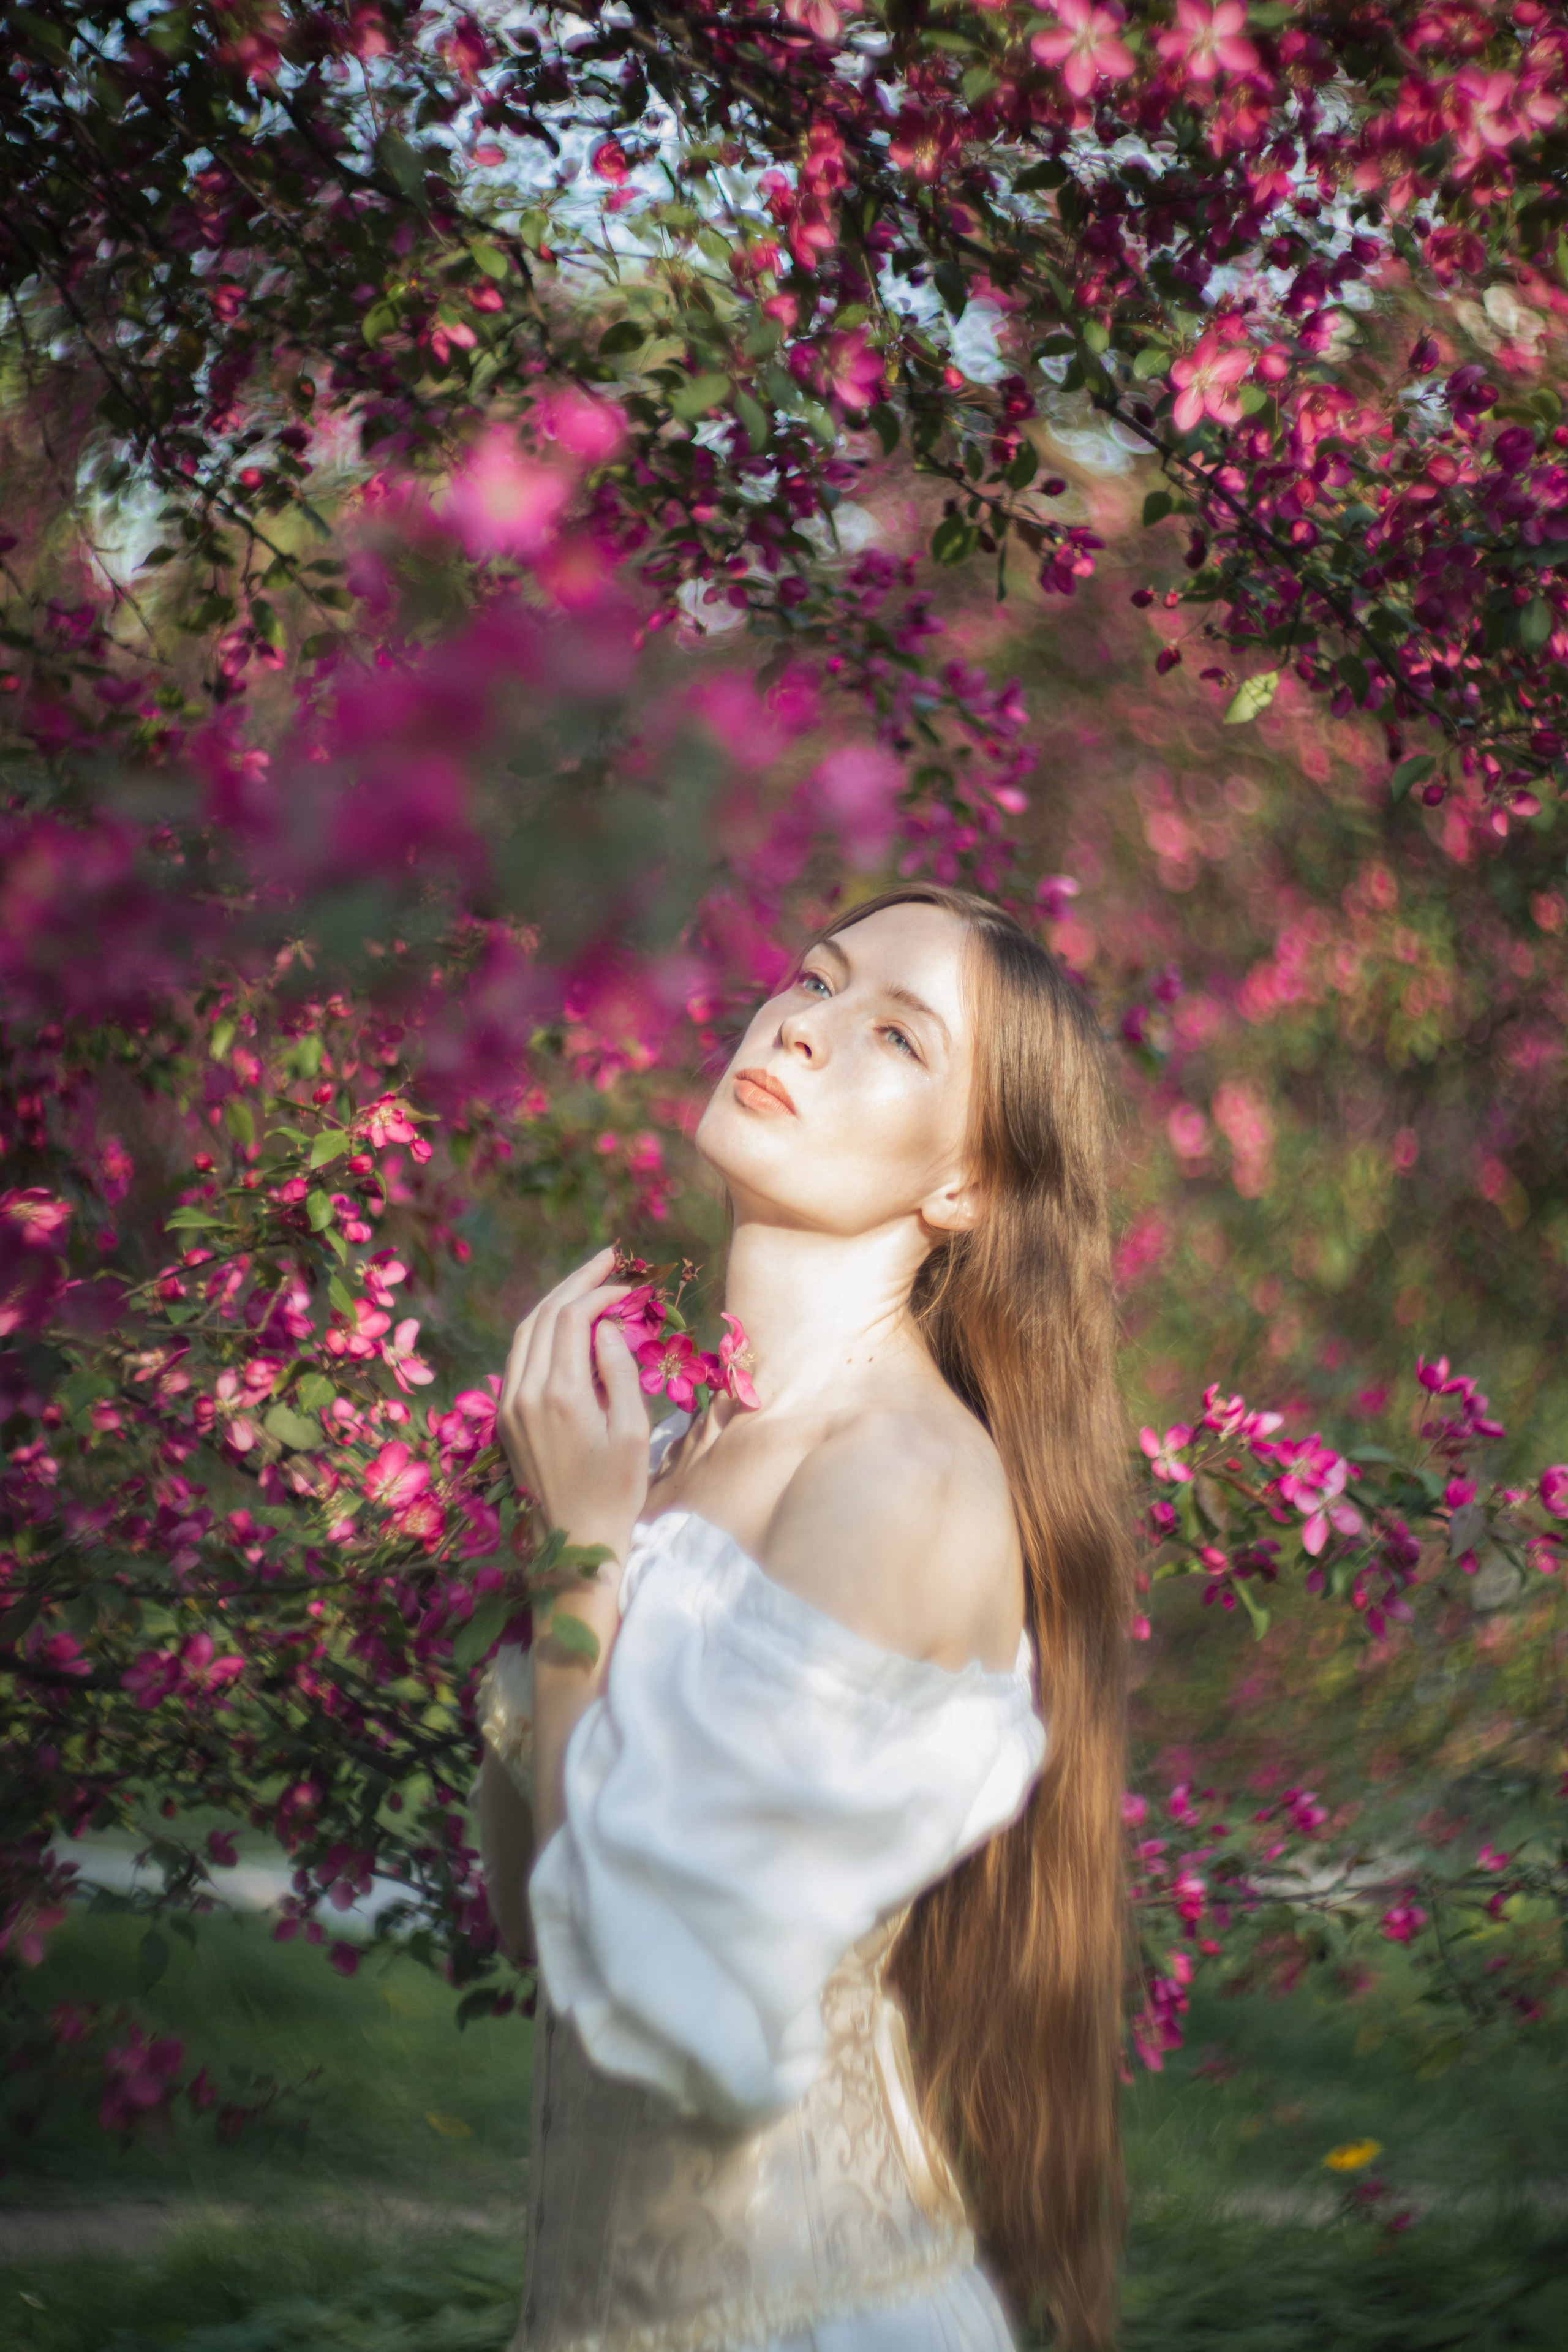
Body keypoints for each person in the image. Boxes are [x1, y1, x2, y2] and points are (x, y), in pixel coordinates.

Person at [477, 885, 1131, 2352]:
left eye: (894, 1035)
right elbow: (540, 1927)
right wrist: (586, 1533)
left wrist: (577, 1562)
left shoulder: (899, 1482)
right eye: (812, 981)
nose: (801, 1027)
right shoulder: (660, 1456)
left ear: (961, 1186)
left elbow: (655, 1983)